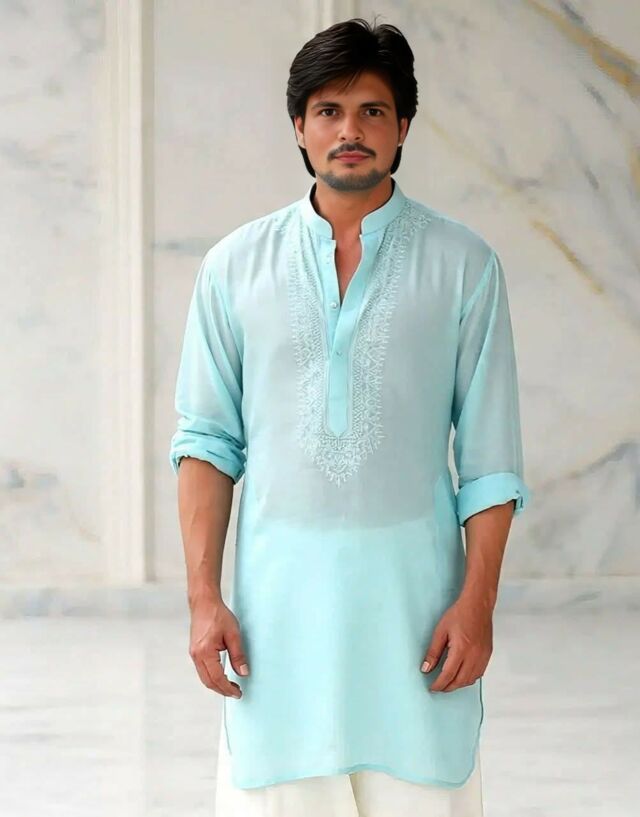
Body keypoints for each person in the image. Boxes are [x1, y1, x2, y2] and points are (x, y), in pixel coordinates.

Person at [169, 16, 531, 817]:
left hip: (419, 629)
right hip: (275, 632)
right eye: (328, 110)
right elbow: (205, 444)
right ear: (298, 126)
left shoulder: (464, 265)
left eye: (373, 111)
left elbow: (492, 463)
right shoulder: (234, 268)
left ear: (403, 128)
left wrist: (477, 606)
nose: (350, 131)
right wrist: (203, 598)